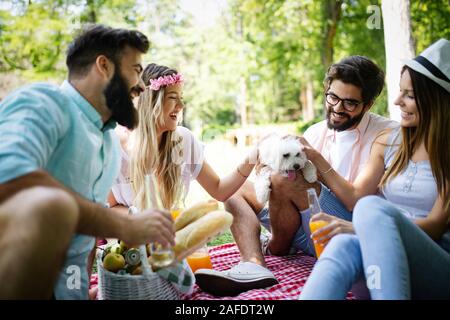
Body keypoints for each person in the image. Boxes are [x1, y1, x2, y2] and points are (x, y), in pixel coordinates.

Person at [0, 25, 175, 299]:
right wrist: (123, 226)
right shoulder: (44, 102)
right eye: (136, 70)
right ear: (104, 65)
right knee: (52, 204)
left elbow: (85, 237)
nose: (141, 86)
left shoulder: (108, 143)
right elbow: (10, 180)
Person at [200, 56, 398, 295]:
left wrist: (314, 158)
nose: (337, 108)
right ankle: (253, 263)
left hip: (347, 228)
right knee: (237, 191)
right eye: (332, 97)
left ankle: (276, 248)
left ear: (369, 104)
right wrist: (268, 165)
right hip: (305, 229)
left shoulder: (386, 134)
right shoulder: (316, 131)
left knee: (287, 180)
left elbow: (357, 202)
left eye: (350, 103)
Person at [299, 38, 450, 299]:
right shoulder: (390, 141)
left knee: (371, 208)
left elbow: (436, 226)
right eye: (400, 92)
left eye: (410, 95)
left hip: (436, 267)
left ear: (435, 101)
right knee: (343, 245)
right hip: (385, 266)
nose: (397, 102)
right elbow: (355, 196)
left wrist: (361, 228)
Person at [107, 63, 273, 296]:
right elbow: (111, 206)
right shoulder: (115, 146)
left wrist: (251, 158)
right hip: (132, 247)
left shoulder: (182, 141)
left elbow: (219, 190)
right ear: (150, 101)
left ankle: (253, 264)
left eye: (181, 98)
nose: (181, 106)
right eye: (173, 97)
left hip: (174, 246)